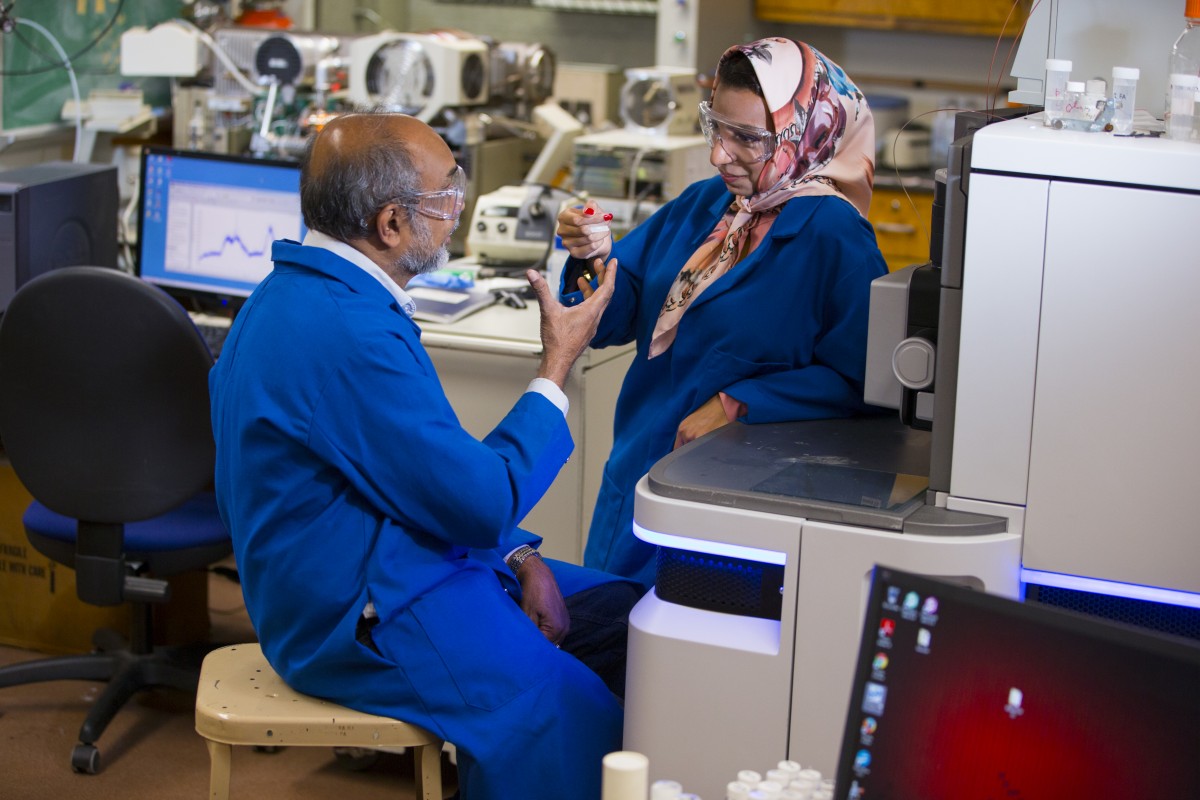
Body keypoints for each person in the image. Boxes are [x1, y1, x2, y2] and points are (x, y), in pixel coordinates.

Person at [209, 110, 642, 800]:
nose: (458, 207)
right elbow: (480, 501)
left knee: (630, 617)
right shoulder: (350, 334)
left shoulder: (299, 294)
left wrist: (519, 555)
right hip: (360, 612)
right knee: (565, 713)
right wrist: (556, 363)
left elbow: (420, 477)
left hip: (384, 561)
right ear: (390, 225)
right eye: (447, 195)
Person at [556, 38, 888, 589]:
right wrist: (592, 255)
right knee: (607, 639)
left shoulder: (834, 237)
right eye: (718, 128)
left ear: (805, 133)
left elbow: (866, 383)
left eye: (747, 139)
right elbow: (619, 310)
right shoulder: (709, 204)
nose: (719, 155)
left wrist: (739, 403)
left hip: (732, 507)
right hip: (638, 474)